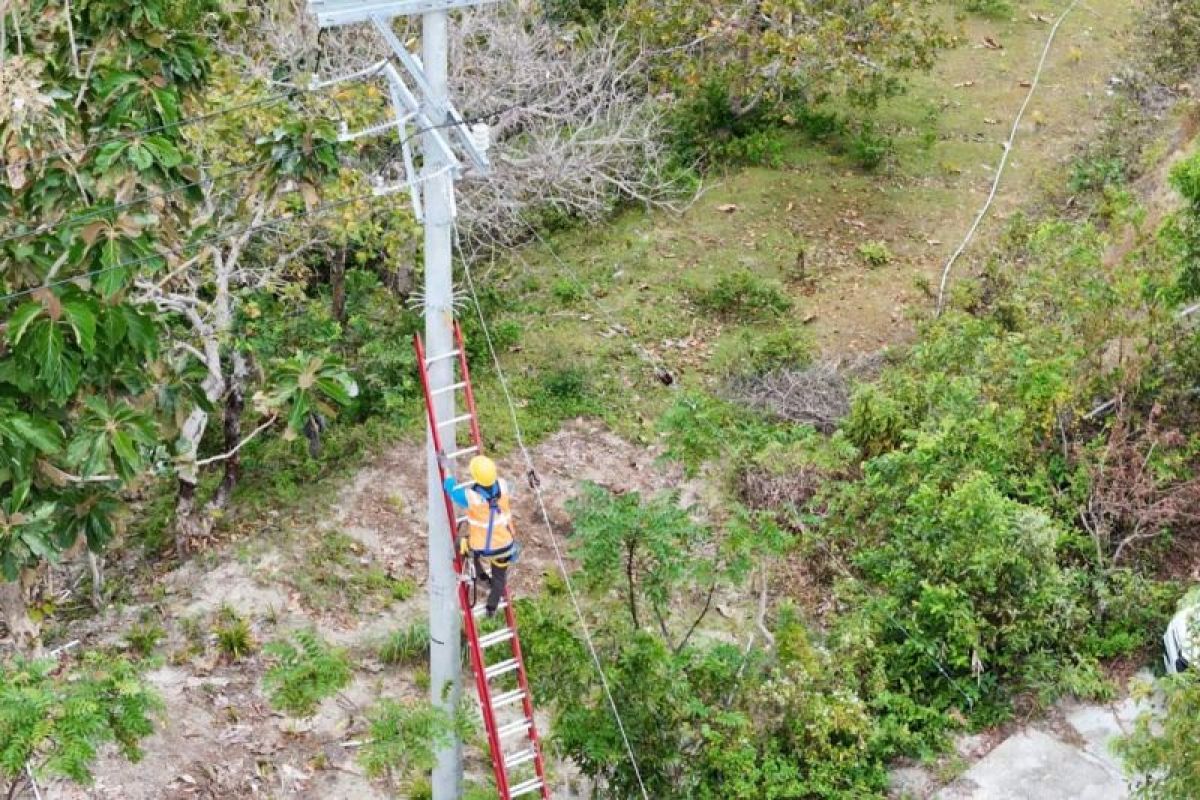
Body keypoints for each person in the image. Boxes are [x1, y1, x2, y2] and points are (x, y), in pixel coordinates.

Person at [438, 452, 519, 617]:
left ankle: (480, 574)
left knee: (463, 544)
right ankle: (491, 608)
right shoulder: (503, 486)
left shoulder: (471, 497)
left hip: (484, 547)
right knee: (499, 578)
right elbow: (510, 487)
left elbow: (451, 489)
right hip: (505, 544)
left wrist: (446, 467)